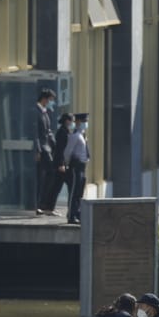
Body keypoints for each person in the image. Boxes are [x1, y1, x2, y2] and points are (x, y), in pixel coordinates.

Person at [33, 87, 61, 215]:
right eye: (50, 100)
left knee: (50, 175)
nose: (52, 102)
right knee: (41, 177)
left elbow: (48, 132)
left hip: (47, 149)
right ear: (44, 99)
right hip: (42, 150)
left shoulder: (45, 112)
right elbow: (35, 133)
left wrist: (56, 146)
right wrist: (38, 150)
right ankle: (39, 204)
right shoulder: (36, 111)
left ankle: (44, 204)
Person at [62, 112, 91, 224]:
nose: (85, 124)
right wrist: (68, 164)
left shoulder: (82, 136)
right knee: (74, 192)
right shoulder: (75, 136)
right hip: (76, 166)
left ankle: (77, 213)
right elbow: (67, 152)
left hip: (82, 166)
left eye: (86, 122)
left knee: (79, 192)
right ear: (78, 122)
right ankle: (71, 215)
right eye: (84, 121)